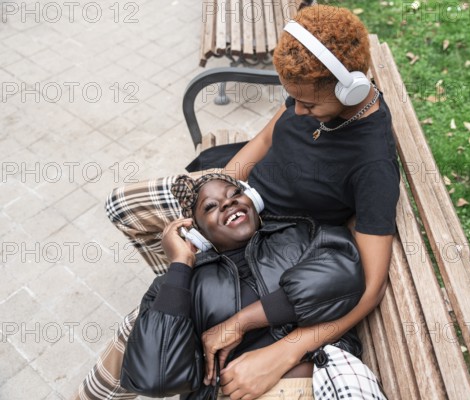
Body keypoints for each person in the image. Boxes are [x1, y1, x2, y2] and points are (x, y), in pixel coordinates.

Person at [74, 5, 399, 399]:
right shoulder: (308, 89)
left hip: (273, 245)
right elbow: (262, 142)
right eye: (291, 99)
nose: (297, 111)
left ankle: (196, 293)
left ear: (351, 90)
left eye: (309, 106)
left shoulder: (372, 164)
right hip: (236, 204)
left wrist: (284, 350)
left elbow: (371, 284)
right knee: (124, 206)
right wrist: (218, 187)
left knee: (141, 331)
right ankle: (197, 271)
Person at [120, 173, 364, 399]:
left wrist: (242, 322)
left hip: (313, 382)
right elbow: (155, 376)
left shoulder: (298, 233)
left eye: (234, 194)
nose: (227, 204)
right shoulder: (184, 285)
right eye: (210, 207)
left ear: (253, 201)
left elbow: (341, 273)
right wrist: (180, 265)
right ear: (198, 235)